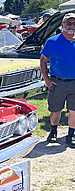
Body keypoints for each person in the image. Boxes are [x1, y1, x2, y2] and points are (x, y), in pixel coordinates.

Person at [40, 13, 75, 146]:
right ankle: (53, 131)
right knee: (55, 109)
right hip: (57, 82)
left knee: (74, 111)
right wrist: (47, 80)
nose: (71, 26)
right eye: (69, 23)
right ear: (62, 25)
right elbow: (43, 61)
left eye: (74, 24)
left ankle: (71, 135)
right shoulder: (52, 41)